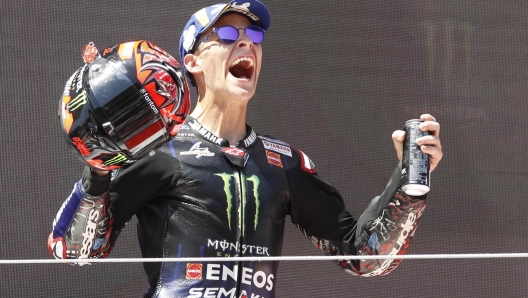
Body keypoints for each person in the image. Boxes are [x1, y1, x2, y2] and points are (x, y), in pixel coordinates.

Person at [48, 1, 443, 297]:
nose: (245, 43)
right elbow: (72, 250)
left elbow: (366, 257)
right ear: (192, 62)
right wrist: (98, 170)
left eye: (254, 36)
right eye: (225, 35)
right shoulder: (160, 150)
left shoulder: (283, 161)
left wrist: (408, 187)